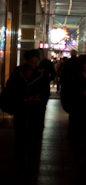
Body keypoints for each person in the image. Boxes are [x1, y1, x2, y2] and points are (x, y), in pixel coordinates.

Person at [2, 48, 50, 176]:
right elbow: (10, 86)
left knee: (33, 140)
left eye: (36, 62)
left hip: (36, 111)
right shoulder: (19, 71)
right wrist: (17, 98)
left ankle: (30, 165)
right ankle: (20, 164)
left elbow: (46, 92)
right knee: (19, 138)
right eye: (32, 61)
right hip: (21, 109)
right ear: (27, 60)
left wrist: (40, 102)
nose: (34, 64)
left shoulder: (42, 73)